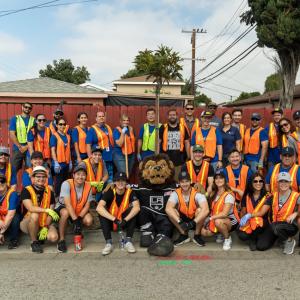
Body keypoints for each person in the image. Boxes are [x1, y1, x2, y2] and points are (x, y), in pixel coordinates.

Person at [245, 172, 300, 255]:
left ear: (290, 182)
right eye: (281, 181)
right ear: (277, 183)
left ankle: (289, 241)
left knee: (275, 227)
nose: (283, 184)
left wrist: (296, 213)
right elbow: (262, 212)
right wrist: (249, 215)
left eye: (286, 181)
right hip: (274, 226)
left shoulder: (296, 196)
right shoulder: (272, 195)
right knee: (261, 246)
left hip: (290, 226)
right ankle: (280, 239)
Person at [97, 172, 140, 255]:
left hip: (124, 223)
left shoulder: (130, 191)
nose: (120, 183)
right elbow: (99, 208)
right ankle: (108, 243)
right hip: (112, 222)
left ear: (126, 182)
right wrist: (114, 219)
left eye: (123, 180)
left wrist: (125, 220)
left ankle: (128, 241)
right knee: (102, 212)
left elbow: (137, 207)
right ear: (115, 182)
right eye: (118, 180)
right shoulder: (110, 191)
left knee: (133, 211)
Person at [20, 166, 59, 253]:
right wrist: (46, 210)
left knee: (53, 237)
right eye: (38, 176)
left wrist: (45, 226)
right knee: (35, 214)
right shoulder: (26, 190)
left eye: (43, 176)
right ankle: (34, 242)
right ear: (33, 178)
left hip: (44, 221)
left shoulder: (50, 191)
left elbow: (51, 212)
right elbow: (30, 208)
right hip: (28, 222)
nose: (41, 179)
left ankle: (41, 233)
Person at [55, 164, 94, 253]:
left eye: (83, 174)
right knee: (65, 213)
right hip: (64, 207)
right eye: (78, 174)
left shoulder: (88, 186)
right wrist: (75, 220)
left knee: (89, 220)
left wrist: (79, 219)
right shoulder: (66, 183)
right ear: (73, 175)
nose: (80, 177)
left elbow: (87, 205)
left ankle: (77, 229)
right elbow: (68, 204)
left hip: (79, 209)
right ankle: (61, 240)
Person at [166, 170, 209, 247]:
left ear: (190, 181)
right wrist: (180, 222)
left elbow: (206, 210)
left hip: (195, 220)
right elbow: (168, 208)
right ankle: (183, 235)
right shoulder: (176, 193)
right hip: (183, 221)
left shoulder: (197, 192)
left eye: (186, 181)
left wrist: (193, 223)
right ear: (179, 183)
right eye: (182, 182)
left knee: (200, 210)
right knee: (172, 211)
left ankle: (197, 235)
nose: (185, 184)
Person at [201, 170, 239, 251]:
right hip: (215, 218)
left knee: (218, 221)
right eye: (216, 178)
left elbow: (225, 214)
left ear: (225, 180)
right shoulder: (213, 192)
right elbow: (207, 204)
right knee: (204, 232)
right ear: (214, 181)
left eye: (221, 178)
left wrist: (210, 218)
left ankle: (227, 238)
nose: (219, 180)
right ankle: (220, 232)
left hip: (230, 220)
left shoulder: (228, 194)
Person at [238, 173, 270, 251]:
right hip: (250, 221)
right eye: (255, 181)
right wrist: (243, 220)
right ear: (251, 183)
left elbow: (262, 213)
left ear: (263, 182)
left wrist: (249, 215)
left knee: (258, 222)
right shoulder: (246, 195)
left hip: (263, 222)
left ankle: (253, 239)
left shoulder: (268, 196)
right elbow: (243, 211)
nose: (258, 183)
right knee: (242, 236)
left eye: (260, 181)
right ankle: (255, 235)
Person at [159, 109, 190, 180]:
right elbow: (159, 142)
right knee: (166, 181)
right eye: (170, 115)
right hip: (166, 160)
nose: (172, 116)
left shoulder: (182, 127)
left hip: (179, 160)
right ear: (168, 117)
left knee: (177, 181)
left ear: (177, 116)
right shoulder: (163, 127)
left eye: (174, 115)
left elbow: (187, 142)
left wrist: (189, 157)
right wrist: (157, 156)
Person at [86, 111, 114, 183]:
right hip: (99, 159)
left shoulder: (108, 127)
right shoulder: (92, 130)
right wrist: (90, 158)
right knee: (100, 179)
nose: (101, 118)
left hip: (110, 158)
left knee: (110, 179)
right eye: (99, 116)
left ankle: (108, 193)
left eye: (103, 116)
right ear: (96, 118)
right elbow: (88, 144)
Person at [9, 102, 35, 171]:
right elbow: (12, 134)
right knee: (13, 169)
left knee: (30, 169)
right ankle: (12, 182)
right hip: (18, 148)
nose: (27, 109)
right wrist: (20, 146)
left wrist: (26, 147)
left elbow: (36, 135)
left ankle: (28, 182)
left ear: (31, 110)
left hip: (30, 148)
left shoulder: (34, 120)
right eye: (26, 107)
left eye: (29, 108)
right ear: (22, 107)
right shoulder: (15, 119)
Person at [50, 117, 72, 197]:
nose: (62, 126)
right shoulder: (54, 136)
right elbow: (52, 150)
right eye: (60, 124)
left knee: (65, 182)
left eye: (64, 124)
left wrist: (70, 162)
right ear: (57, 125)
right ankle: (57, 199)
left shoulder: (68, 136)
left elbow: (69, 150)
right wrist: (55, 162)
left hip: (66, 164)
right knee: (58, 183)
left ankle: (64, 199)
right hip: (58, 164)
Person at [0, 174, 20, 249]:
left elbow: (10, 215)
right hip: (1, 219)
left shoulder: (12, 194)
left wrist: (1, 232)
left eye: (2, 181)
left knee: (15, 218)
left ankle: (14, 240)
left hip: (10, 217)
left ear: (6, 183)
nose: (0, 183)